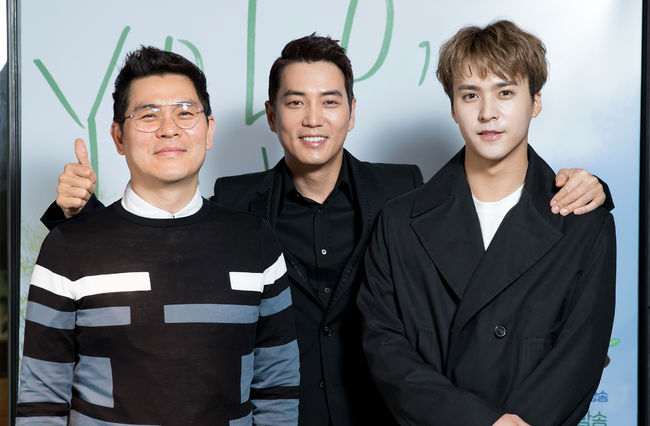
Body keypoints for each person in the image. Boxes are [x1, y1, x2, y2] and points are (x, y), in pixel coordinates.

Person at [41, 35, 610, 426]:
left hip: (383, 413)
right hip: (281, 413)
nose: (313, 119)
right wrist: (78, 215)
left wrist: (593, 187)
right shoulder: (236, 202)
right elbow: (168, 247)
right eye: (296, 103)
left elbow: (490, 208)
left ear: (352, 112)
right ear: (273, 116)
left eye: (330, 101)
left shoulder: (402, 191)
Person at [18, 46, 299, 425]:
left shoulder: (256, 241)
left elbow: (278, 385)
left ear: (209, 130)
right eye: (148, 115)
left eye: (185, 112)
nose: (169, 128)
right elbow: (41, 399)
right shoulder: (68, 246)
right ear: (118, 137)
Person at [357, 20, 616, 426]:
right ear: (453, 108)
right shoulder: (398, 222)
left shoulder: (584, 221)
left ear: (535, 102)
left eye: (505, 92)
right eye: (470, 95)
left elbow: (582, 351)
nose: (488, 113)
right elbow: (385, 348)